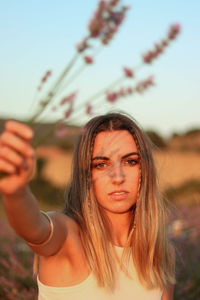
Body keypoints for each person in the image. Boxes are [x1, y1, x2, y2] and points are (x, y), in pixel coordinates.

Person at [0, 113, 175, 299]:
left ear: (145, 170)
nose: (118, 177)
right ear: (85, 175)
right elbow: (34, 229)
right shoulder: (69, 237)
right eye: (101, 164)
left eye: (130, 161)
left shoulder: (160, 252)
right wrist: (16, 193)